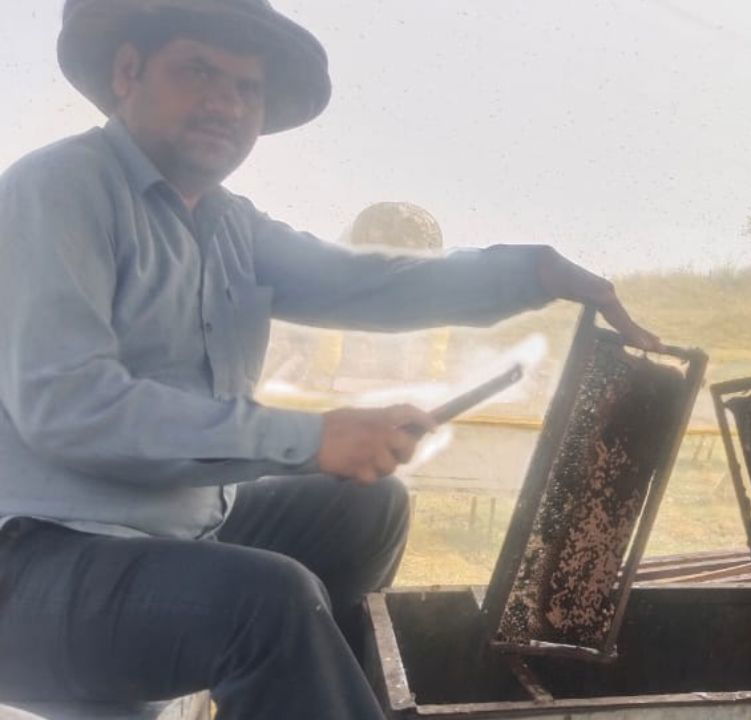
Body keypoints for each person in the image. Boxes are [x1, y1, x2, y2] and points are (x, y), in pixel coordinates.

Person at [0, 1, 657, 718]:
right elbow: (71, 407)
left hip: (177, 534)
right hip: (34, 565)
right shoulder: (57, 189)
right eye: (199, 72)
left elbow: (367, 280)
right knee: (270, 602)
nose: (227, 102)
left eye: (248, 88)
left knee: (367, 508)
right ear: (128, 72)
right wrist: (312, 438)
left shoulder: (230, 226)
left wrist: (535, 274)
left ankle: (320, 700)